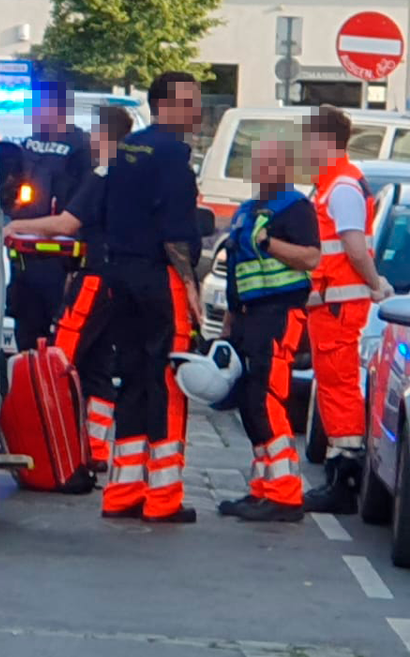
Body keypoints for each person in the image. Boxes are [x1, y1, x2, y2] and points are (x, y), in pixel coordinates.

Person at [2, 104, 133, 471]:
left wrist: (15, 228)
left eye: (94, 133)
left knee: (63, 359)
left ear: (106, 136)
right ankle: (96, 448)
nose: (89, 139)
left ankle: (58, 445)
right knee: (98, 363)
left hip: (96, 276)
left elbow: (67, 223)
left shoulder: (103, 173)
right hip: (120, 278)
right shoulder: (131, 172)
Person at [100, 72, 204, 524]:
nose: (196, 110)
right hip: (158, 277)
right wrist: (190, 286)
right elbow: (176, 231)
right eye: (189, 101)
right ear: (164, 104)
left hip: (119, 272)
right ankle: (163, 498)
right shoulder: (172, 154)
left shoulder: (127, 149)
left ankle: (123, 491)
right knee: (166, 381)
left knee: (133, 376)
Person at [217, 139, 320, 522]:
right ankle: (261, 489)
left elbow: (310, 256)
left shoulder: (295, 208)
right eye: (256, 163)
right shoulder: (247, 210)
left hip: (279, 314)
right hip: (247, 314)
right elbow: (236, 269)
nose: (258, 170)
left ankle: (285, 495)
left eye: (266, 164)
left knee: (269, 399)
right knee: (249, 402)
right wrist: (229, 320)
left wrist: (271, 243)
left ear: (284, 168)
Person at [301, 105, 393, 514]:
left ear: (324, 141)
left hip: (339, 305)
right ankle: (341, 470)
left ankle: (345, 475)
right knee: (334, 386)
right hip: (330, 303)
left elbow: (354, 246)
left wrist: (376, 285)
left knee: (339, 389)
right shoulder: (332, 184)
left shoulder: (341, 187)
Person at [5, 77, 93, 350]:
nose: (30, 114)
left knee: (57, 343)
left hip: (60, 263)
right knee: (26, 339)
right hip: (23, 259)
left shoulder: (82, 149)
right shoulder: (28, 144)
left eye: (36, 107)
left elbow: (77, 215)